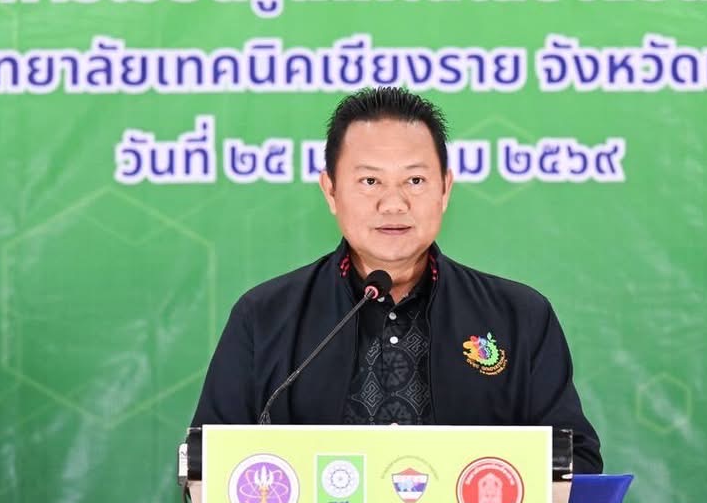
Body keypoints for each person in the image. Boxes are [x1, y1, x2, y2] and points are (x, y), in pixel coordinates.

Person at [189, 86, 602, 474]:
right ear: (330, 191)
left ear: (445, 189)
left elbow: (574, 460)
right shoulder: (264, 316)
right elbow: (207, 463)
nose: (393, 203)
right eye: (370, 181)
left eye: (415, 181)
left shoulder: (519, 316)